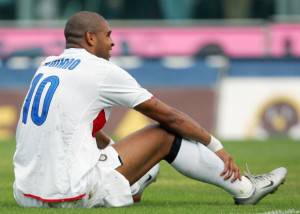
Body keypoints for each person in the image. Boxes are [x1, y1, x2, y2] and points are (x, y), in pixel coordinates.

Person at [13, 11, 287, 208]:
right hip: (66, 195)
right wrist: (217, 146)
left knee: (143, 166)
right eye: (108, 35)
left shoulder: (49, 65)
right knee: (164, 136)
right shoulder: (99, 70)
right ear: (90, 38)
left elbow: (71, 125)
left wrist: (114, 150)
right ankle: (246, 189)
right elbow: (169, 116)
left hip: (27, 194)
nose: (112, 42)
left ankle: (128, 186)